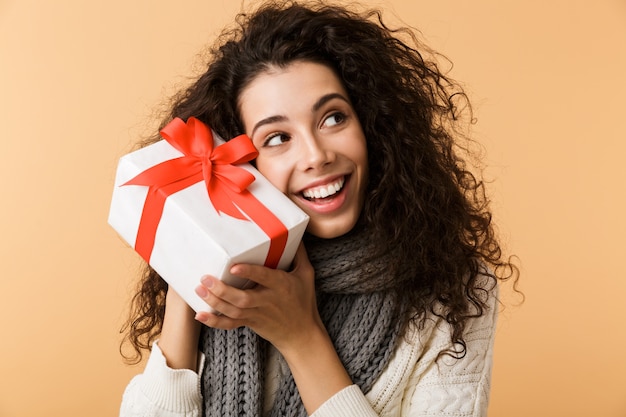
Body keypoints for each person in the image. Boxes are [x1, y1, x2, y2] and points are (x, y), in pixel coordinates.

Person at [118, 1, 519, 416]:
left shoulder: (456, 287)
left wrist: (300, 336)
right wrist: (187, 265)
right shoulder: (230, 275)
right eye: (276, 138)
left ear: (372, 125)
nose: (315, 156)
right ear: (243, 162)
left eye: (333, 118)